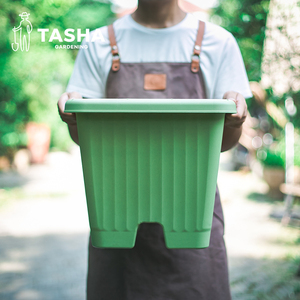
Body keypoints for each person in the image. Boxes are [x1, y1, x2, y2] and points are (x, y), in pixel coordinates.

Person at [58, 0, 252, 299]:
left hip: (192, 217)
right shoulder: (97, 43)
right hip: (116, 220)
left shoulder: (218, 41)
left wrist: (234, 121)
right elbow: (86, 138)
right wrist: (74, 118)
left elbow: (224, 144)